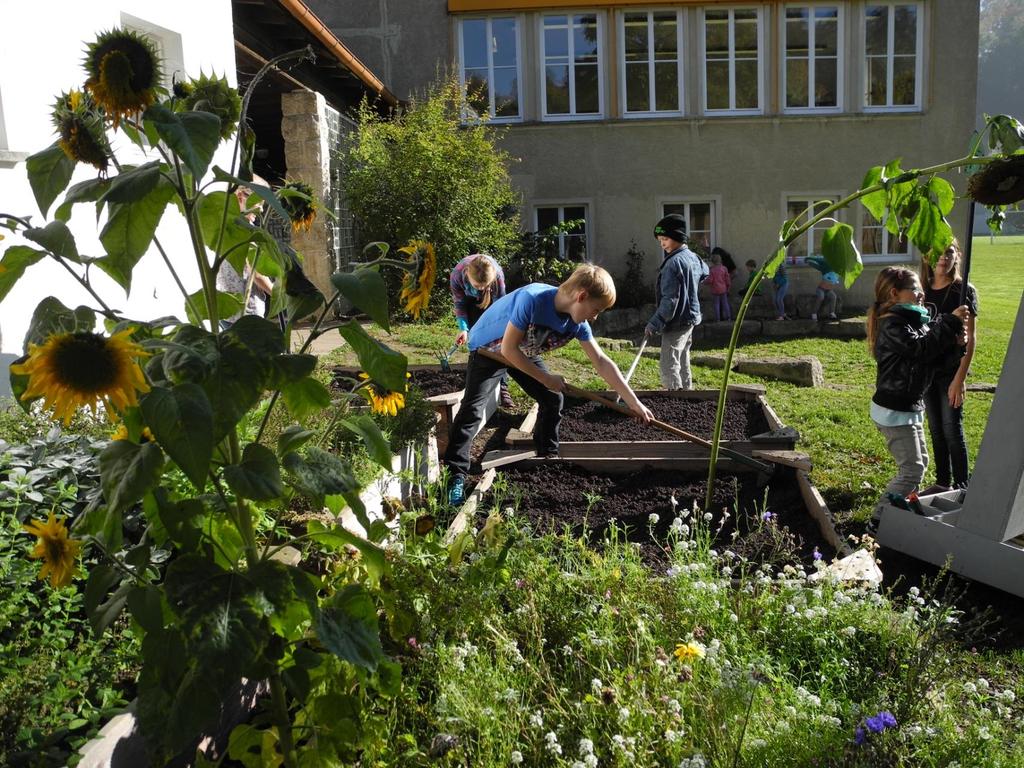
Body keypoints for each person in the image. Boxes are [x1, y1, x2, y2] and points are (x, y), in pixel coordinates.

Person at [443, 264, 654, 504]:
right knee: (472, 408)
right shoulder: (532, 299)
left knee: (552, 398)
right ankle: (455, 475)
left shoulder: (577, 324)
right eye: (596, 310)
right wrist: (546, 378)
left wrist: (633, 402)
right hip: (489, 349)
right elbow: (508, 349)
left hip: (522, 350)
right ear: (581, 296)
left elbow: (601, 361)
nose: (595, 317)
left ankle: (546, 458)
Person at [866, 266, 968, 526]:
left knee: (920, 462)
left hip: (909, 407)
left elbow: (934, 362)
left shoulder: (915, 322)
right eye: (915, 289)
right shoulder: (893, 324)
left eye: (921, 289)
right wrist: (950, 322)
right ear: (895, 293)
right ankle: (878, 520)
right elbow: (921, 350)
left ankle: (901, 513)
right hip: (894, 410)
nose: (922, 293)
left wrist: (956, 347)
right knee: (912, 469)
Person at [919, 239, 978, 491]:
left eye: (949, 252)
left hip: (950, 371)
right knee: (935, 428)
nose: (943, 257)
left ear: (958, 255)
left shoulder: (963, 291)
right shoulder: (922, 289)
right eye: (937, 252)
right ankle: (942, 482)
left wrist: (960, 378)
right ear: (926, 257)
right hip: (927, 371)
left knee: (952, 428)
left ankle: (962, 485)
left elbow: (971, 337)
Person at [644, 214, 709, 390]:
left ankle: (674, 397)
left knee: (669, 362)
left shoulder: (672, 263)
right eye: (659, 240)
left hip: (676, 321)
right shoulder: (693, 257)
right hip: (690, 318)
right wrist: (690, 284)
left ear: (678, 237)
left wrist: (654, 323)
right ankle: (687, 393)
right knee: (682, 357)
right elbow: (705, 271)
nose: (662, 243)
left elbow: (670, 300)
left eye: (665, 239)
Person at [450, 253, 513, 409]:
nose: (482, 288)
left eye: (485, 285)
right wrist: (463, 329)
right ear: (468, 277)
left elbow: (501, 308)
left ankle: (502, 386)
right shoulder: (457, 275)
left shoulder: (496, 276)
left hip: (494, 301)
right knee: (476, 341)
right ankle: (477, 385)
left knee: (499, 343)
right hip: (470, 302)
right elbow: (460, 304)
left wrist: (497, 332)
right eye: (478, 286)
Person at [216, 180, 274, 330]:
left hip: (227, 310)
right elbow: (255, 271)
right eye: (258, 203)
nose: (261, 210)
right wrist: (277, 293)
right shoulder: (245, 231)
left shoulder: (224, 225)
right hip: (247, 311)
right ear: (241, 197)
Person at [706, 251, 731, 322]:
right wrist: (728, 287)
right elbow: (727, 279)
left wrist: (704, 282)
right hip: (723, 289)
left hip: (715, 290)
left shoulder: (712, 270)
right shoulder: (724, 268)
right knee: (725, 303)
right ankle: (728, 317)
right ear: (720, 260)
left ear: (712, 261)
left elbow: (710, 280)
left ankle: (718, 319)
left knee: (716, 304)